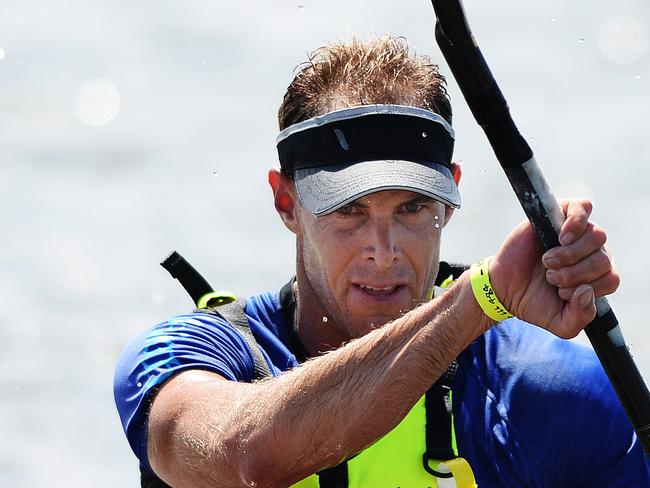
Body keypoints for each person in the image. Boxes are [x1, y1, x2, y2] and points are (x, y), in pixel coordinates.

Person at [114, 36, 649, 487]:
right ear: (287, 203)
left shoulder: (541, 389)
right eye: (349, 210)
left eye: (413, 207)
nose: (385, 250)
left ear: (450, 196)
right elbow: (247, 457)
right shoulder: (186, 360)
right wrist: (478, 301)